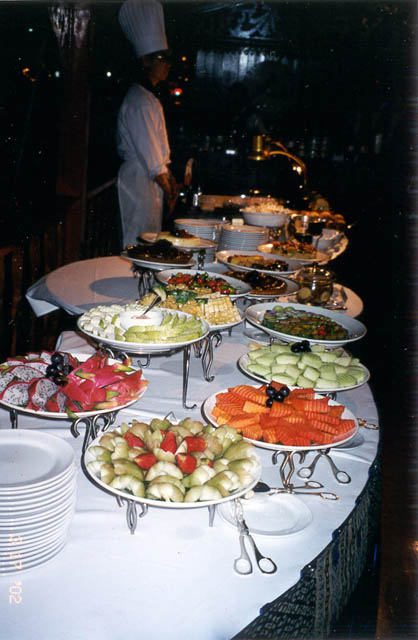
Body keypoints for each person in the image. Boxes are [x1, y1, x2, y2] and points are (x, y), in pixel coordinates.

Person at [117, 0, 178, 248]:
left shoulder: (150, 98)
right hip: (139, 179)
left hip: (150, 180)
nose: (167, 65)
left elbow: (159, 154)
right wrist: (168, 187)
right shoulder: (138, 100)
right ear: (146, 61)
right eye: (161, 59)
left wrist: (169, 181)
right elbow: (151, 155)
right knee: (137, 240)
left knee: (150, 238)